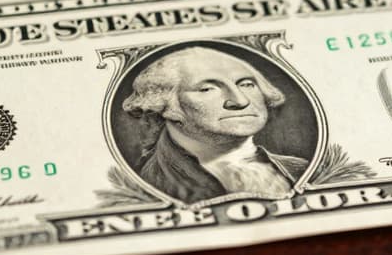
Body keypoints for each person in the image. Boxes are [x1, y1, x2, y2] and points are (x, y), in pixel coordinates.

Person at [122, 46, 309, 203]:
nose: (240, 101)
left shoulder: (299, 168)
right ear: (164, 103)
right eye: (207, 89)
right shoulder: (145, 186)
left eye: (246, 84)